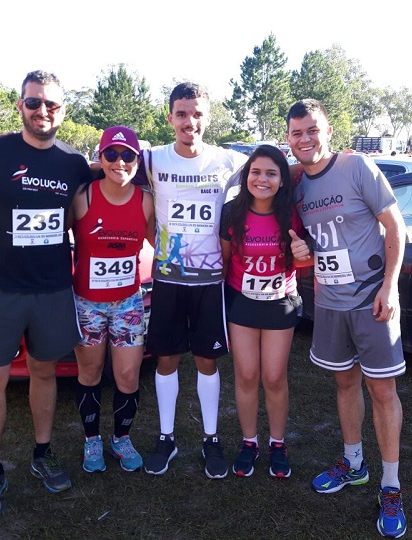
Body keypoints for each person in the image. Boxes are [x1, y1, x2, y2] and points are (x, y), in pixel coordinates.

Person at [0, 70, 91, 521]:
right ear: (20, 105)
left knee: (44, 372)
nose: (43, 111)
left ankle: (42, 453)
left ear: (63, 110)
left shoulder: (73, 163)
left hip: (51, 290)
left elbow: (85, 225)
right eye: (34, 103)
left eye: (52, 104)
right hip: (1, 291)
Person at [286, 99, 407, 538]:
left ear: (328, 130)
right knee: (343, 382)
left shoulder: (357, 167)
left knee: (382, 389)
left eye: (312, 130)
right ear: (289, 139)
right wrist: (300, 253)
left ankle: (390, 485)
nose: (306, 139)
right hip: (330, 303)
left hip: (372, 300)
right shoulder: (296, 183)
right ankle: (353, 462)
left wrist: (390, 285)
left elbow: (395, 227)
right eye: (297, 133)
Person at [139, 82, 247, 479]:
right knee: (166, 359)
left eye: (197, 113)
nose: (190, 121)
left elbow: (277, 168)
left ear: (207, 117)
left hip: (209, 284)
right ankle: (166, 438)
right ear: (170, 117)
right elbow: (104, 165)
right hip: (168, 279)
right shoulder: (152, 159)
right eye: (182, 113)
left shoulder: (230, 160)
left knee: (206, 360)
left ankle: (211, 439)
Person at [71, 125, 155, 474]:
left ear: (137, 160)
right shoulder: (82, 197)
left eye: (128, 156)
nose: (120, 162)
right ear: (100, 158)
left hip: (128, 304)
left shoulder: (146, 200)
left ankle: (121, 438)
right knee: (89, 373)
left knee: (128, 376)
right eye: (112, 154)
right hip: (87, 303)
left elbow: (162, 248)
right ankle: (92, 441)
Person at [220, 145, 304, 479]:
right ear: (247, 176)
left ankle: (278, 444)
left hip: (279, 304)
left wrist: (303, 253)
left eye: (271, 173)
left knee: (273, 376)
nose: (262, 179)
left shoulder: (292, 214)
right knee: (246, 374)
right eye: (256, 172)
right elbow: (225, 261)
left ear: (282, 179)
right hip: (241, 302)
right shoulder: (231, 212)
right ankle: (249, 442)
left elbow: (304, 258)